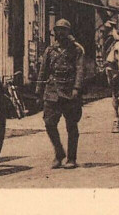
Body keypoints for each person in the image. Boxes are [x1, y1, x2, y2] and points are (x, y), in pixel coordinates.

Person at [36, 18, 85, 169]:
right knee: (49, 123)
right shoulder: (49, 51)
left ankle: (71, 158)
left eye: (64, 30)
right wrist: (38, 90)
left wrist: (77, 88)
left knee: (71, 126)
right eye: (58, 30)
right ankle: (59, 153)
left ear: (68, 32)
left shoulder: (77, 50)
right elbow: (43, 71)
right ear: (55, 33)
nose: (61, 34)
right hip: (52, 91)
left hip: (69, 92)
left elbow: (80, 70)